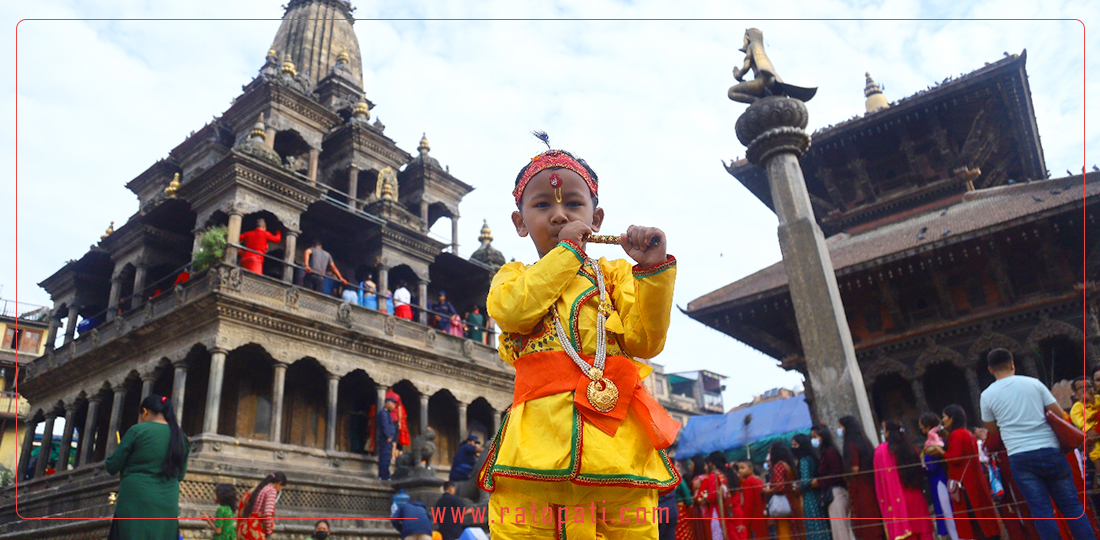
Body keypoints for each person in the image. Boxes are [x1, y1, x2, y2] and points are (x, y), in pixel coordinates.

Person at [479, 138, 680, 539]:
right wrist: (569, 251)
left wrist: (654, 272)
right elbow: (515, 310)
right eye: (542, 206)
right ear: (519, 223)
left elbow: (646, 343)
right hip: (533, 449)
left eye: (573, 204)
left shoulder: (616, 275)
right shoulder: (512, 277)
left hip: (617, 446)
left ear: (596, 217)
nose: (558, 216)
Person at [979, 347, 1097, 540]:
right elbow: (1059, 414)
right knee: (1071, 505)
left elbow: (992, 429)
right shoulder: (1033, 384)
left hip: (1019, 456)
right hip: (1050, 450)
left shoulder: (987, 395)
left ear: (990, 370)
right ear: (1012, 364)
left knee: (1041, 510)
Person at [104, 394, 190, 540]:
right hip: (167, 504)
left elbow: (112, 465)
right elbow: (180, 475)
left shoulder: (138, 430)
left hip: (136, 502)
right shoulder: (180, 437)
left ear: (144, 412)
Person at [924, 405, 1001, 540]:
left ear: (952, 418)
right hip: (973, 481)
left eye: (945, 417)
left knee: (975, 519)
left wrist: (941, 451)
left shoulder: (957, 434)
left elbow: (955, 458)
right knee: (981, 517)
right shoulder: (966, 433)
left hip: (966, 485)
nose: (943, 420)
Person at [873, 420, 934, 540]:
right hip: (916, 499)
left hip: (899, 505)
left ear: (887, 433)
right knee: (924, 534)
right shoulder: (912, 449)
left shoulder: (881, 452)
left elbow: (879, 482)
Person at [838, 416, 885, 540]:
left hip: (860, 487)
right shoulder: (864, 440)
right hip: (870, 483)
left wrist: (844, 475)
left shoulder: (850, 444)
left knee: (866, 522)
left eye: (840, 427)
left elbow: (854, 468)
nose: (839, 430)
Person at [918, 413, 959, 540]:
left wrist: (923, 467)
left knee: (948, 514)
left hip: (939, 481)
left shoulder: (933, 441)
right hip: (942, 479)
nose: (920, 428)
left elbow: (932, 466)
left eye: (922, 426)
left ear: (928, 426)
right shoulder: (940, 436)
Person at [811, 425, 854, 540]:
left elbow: (836, 474)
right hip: (833, 493)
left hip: (836, 493)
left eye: (816, 437)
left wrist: (820, 481)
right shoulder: (825, 453)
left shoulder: (830, 453)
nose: (815, 440)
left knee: (841, 530)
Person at [792, 433, 831, 540]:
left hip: (809, 498)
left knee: (813, 525)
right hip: (817, 494)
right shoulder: (812, 458)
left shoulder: (804, 461)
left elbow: (805, 481)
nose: (793, 448)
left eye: (795, 445)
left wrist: (796, 488)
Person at [763, 442, 800, 540]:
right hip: (791, 501)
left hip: (783, 504)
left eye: (770, 453)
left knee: (785, 532)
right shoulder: (786, 464)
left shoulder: (778, 466)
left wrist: (769, 491)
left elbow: (780, 487)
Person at [237, 472, 287, 540]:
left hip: (245, 528)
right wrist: (268, 532)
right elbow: (267, 513)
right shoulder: (271, 491)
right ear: (278, 483)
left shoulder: (259, 488)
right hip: (256, 530)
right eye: (282, 487)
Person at [736, 461, 766, 540]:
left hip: (753, 518)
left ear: (751, 469)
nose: (740, 471)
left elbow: (748, 503)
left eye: (743, 468)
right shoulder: (758, 480)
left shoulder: (748, 482)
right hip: (761, 515)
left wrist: (745, 522)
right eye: (739, 468)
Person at [671, 461, 694, 540]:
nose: (679, 468)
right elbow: (688, 498)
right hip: (681, 511)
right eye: (677, 465)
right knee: (684, 533)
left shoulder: (665, 480)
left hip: (669, 509)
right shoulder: (679, 479)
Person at [377, 398, 397, 481]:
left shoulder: (387, 413)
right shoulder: (383, 413)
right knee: (385, 457)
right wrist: (388, 436)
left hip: (388, 439)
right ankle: (384, 476)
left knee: (386, 457)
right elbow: (385, 425)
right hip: (386, 439)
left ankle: (383, 475)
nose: (394, 406)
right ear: (387, 404)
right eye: (392, 404)